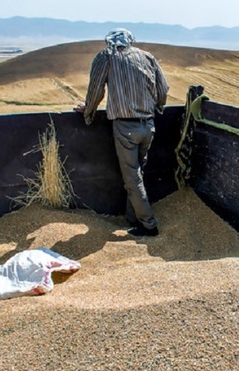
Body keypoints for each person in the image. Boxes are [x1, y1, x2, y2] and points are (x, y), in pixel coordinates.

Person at [75, 28, 169, 236]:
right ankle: (132, 217)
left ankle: (148, 225)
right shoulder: (147, 57)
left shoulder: (106, 56)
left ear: (109, 42)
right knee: (138, 173)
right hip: (148, 125)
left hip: (126, 127)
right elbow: (163, 88)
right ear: (130, 41)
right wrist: (158, 108)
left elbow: (96, 89)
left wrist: (88, 112)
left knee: (132, 178)